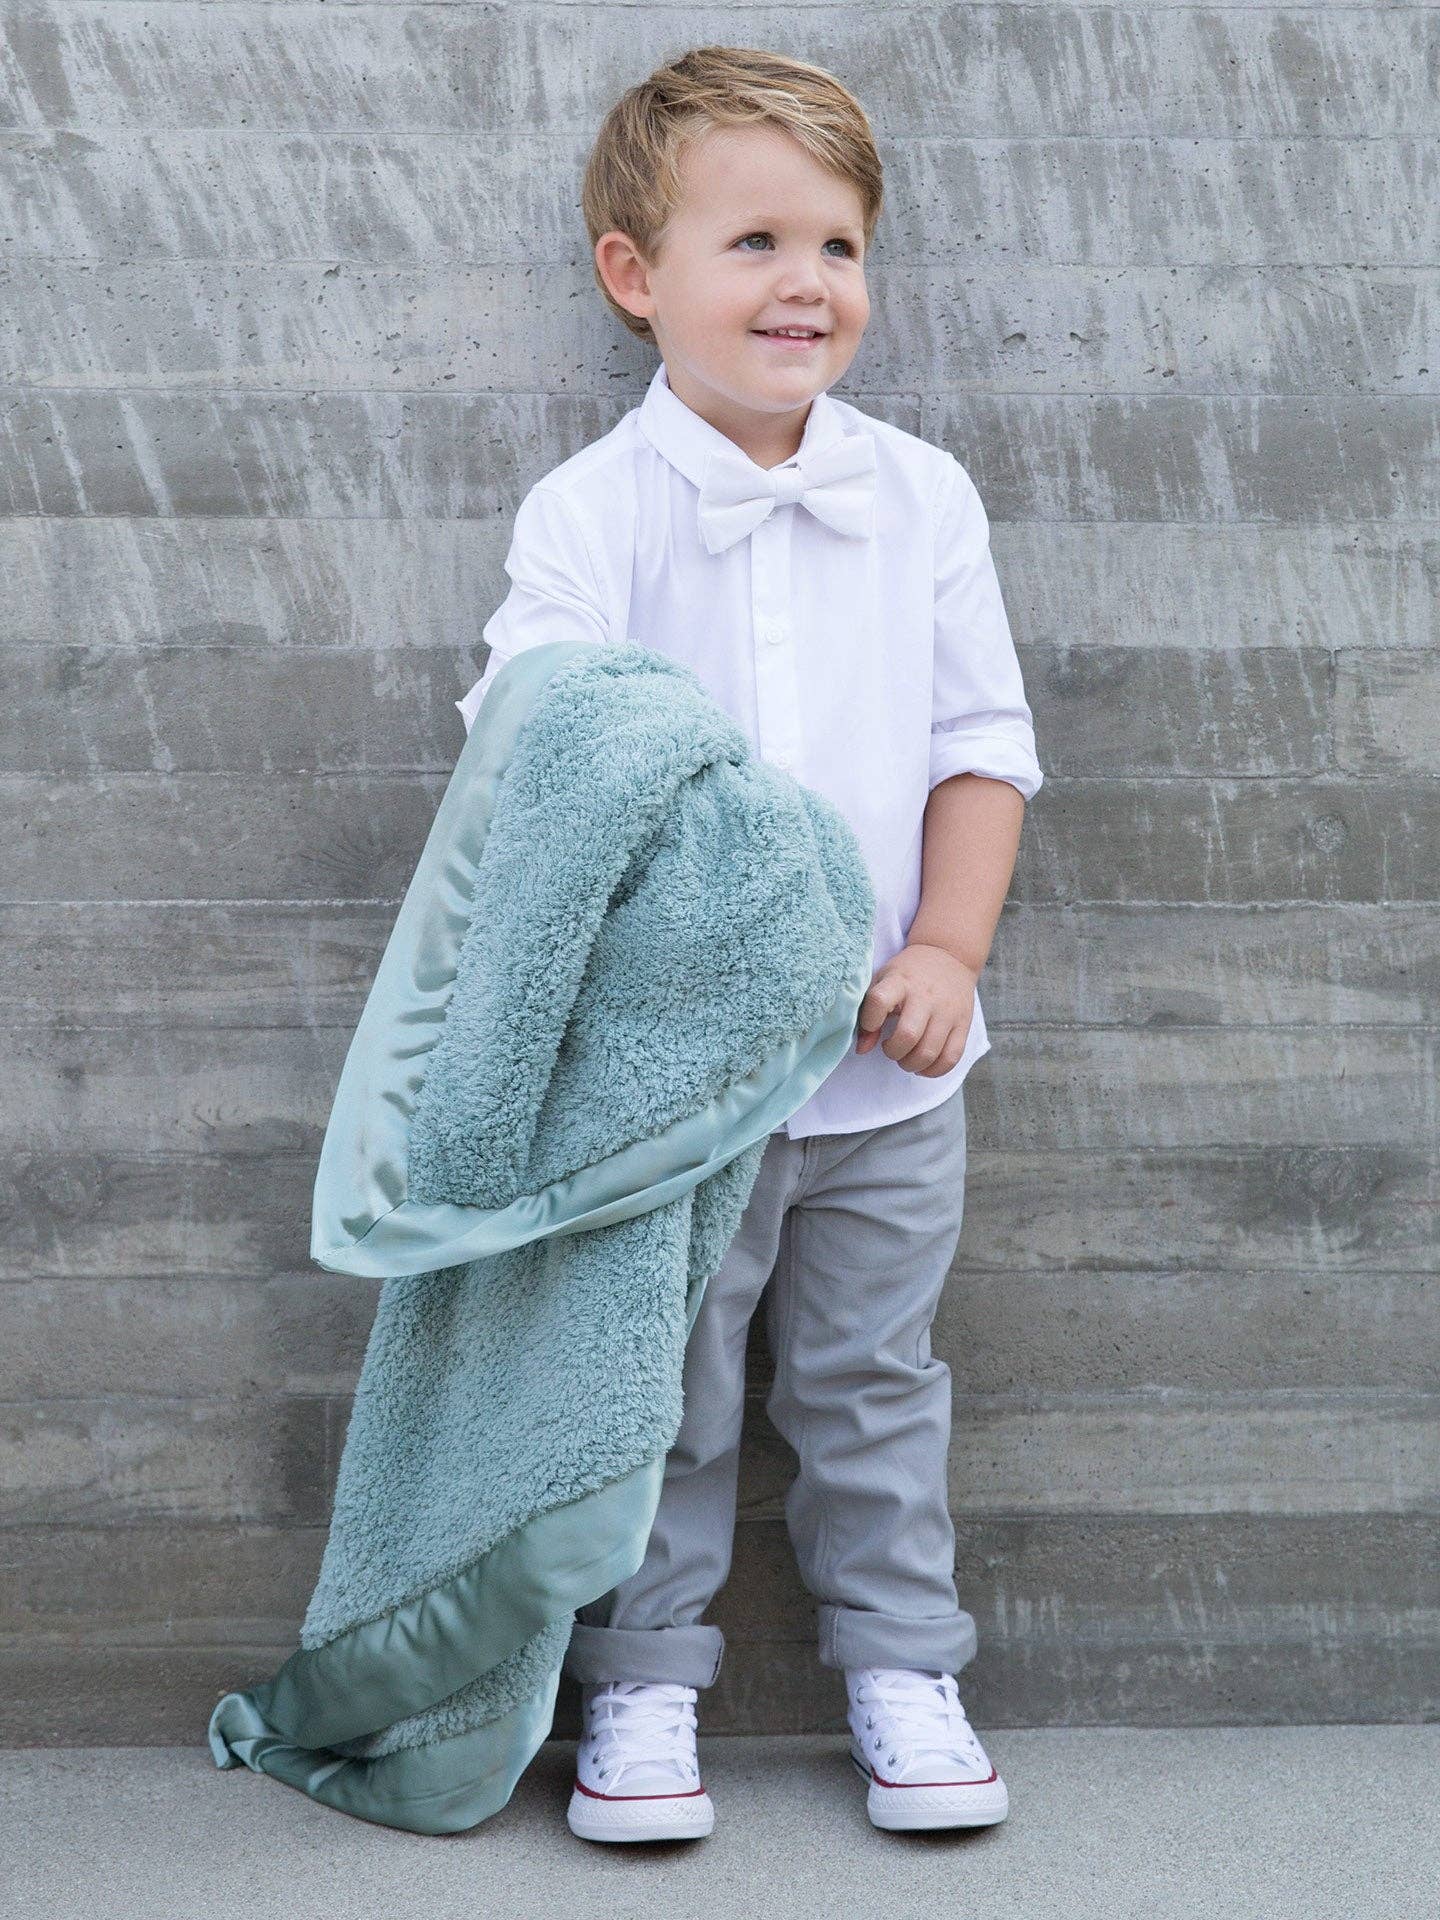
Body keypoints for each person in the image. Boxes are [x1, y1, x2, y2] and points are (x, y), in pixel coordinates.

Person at [454, 45, 1043, 1842]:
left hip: (887, 1071)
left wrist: (949, 953)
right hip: (677, 1085)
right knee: (664, 1394)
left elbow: (980, 745)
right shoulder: (593, 512)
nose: (808, 283)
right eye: (758, 242)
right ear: (635, 275)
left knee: (874, 1387)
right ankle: (639, 1682)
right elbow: (538, 737)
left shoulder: (922, 498)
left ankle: (903, 1666)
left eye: (839, 245)